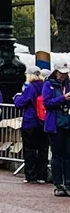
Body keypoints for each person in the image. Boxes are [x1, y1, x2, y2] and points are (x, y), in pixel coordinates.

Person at [13, 70, 49, 184]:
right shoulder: (45, 86)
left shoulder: (30, 87)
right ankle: (42, 175)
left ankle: (31, 175)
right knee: (43, 149)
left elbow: (21, 103)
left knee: (30, 149)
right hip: (44, 122)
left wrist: (16, 98)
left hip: (30, 121)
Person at [43, 69, 70, 197]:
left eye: (65, 73)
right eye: (61, 73)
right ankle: (58, 184)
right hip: (55, 124)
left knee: (68, 155)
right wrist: (63, 98)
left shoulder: (68, 84)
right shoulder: (48, 85)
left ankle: (68, 184)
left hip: (67, 124)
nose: (63, 75)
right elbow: (47, 103)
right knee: (57, 155)